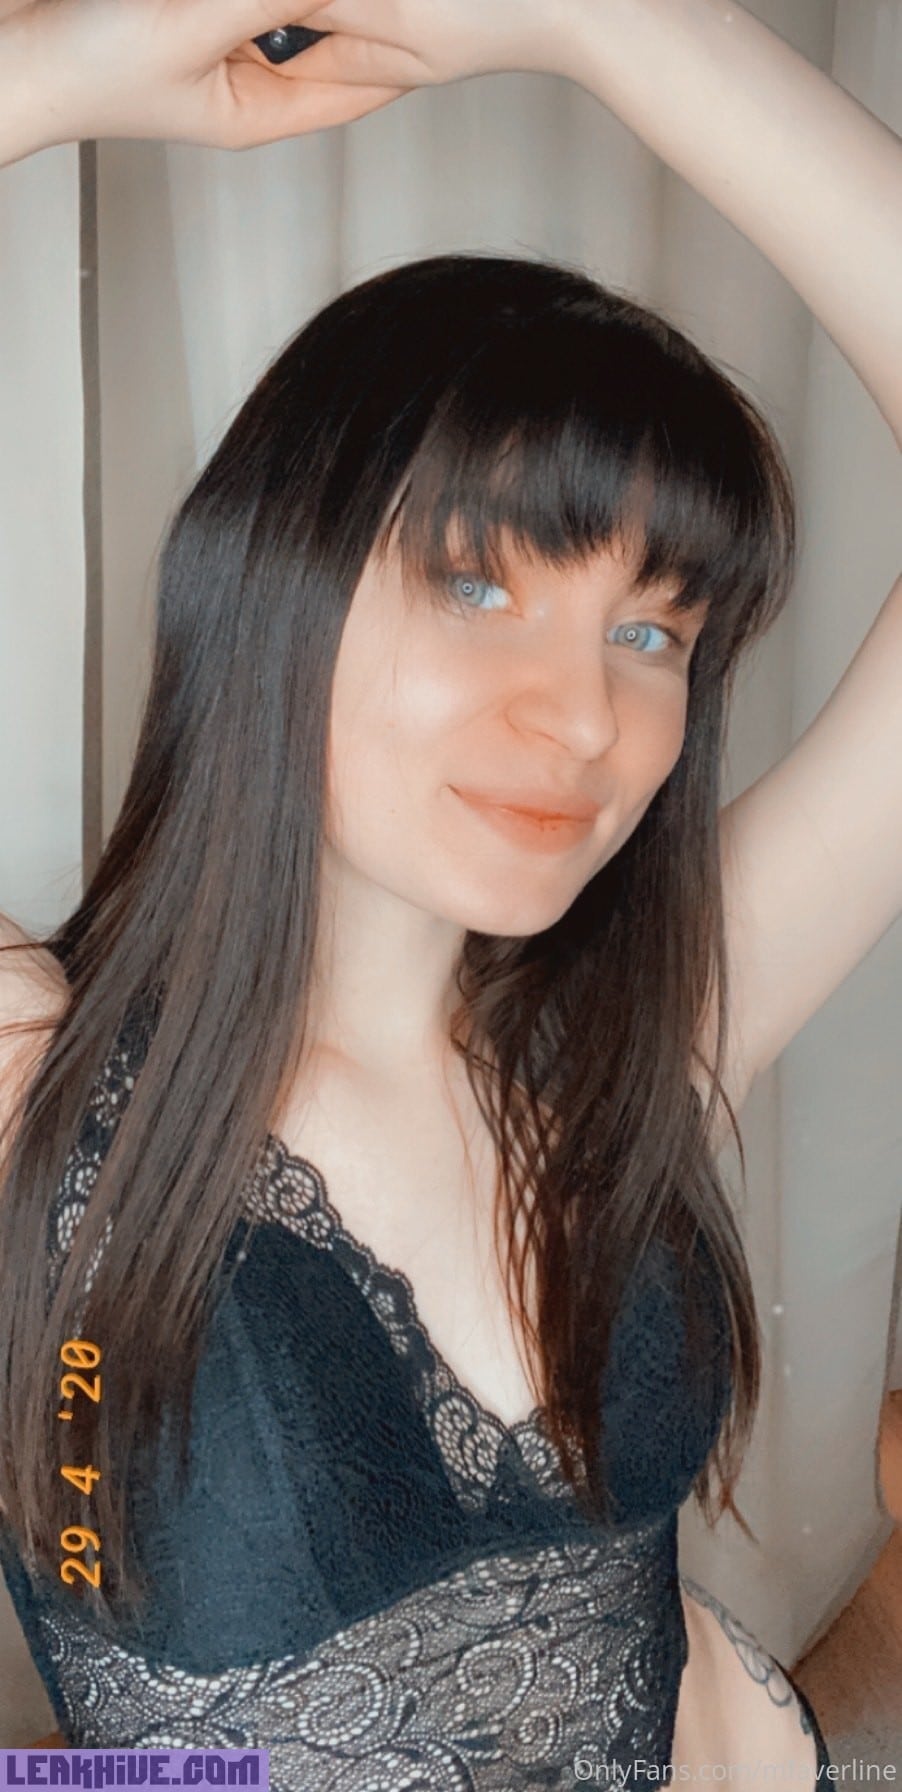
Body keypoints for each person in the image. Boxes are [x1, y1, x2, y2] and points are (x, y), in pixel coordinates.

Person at [0, 0, 899, 1781]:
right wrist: (51, 72)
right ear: (272, 586)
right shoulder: (45, 1076)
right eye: (477, 585)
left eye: (650, 632)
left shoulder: (632, 1046)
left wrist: (607, 25)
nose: (581, 718)